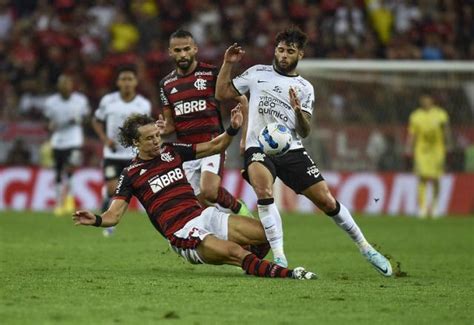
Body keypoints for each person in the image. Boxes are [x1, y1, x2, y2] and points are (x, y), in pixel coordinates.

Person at [215, 26, 392, 276]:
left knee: (327, 201)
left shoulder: (305, 88)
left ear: (300, 55)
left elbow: (305, 131)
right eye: (280, 50)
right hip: (259, 146)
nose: (283, 55)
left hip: (292, 150)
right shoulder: (256, 74)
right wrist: (227, 63)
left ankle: (365, 247)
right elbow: (221, 93)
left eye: (290, 51)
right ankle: (280, 258)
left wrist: (299, 113)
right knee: (264, 191)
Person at [73, 110, 316, 280]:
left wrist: (232, 128)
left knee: (267, 233)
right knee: (235, 252)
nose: (156, 141)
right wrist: (94, 219)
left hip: (206, 216)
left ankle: (252, 265)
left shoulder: (171, 151)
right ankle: (289, 274)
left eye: (157, 135)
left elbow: (214, 146)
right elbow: (113, 216)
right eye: (149, 139)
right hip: (184, 233)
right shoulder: (131, 174)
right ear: (136, 142)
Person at [157, 29, 252, 217]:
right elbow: (170, 125)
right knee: (198, 206)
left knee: (209, 191)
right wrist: (160, 129)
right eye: (177, 50)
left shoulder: (210, 73)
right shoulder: (166, 84)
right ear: (170, 52)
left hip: (213, 143)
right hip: (188, 151)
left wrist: (244, 138)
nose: (182, 54)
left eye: (186, 49)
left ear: (195, 49)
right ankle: (226, 234)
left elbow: (243, 100)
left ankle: (239, 209)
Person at [92, 65, 152, 236]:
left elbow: (146, 127)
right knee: (112, 190)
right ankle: (109, 220)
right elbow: (96, 121)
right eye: (123, 79)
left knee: (139, 190)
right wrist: (104, 139)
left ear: (135, 82)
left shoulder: (143, 104)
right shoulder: (108, 101)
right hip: (112, 154)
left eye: (130, 79)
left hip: (134, 155)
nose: (127, 83)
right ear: (118, 82)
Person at [43, 74, 91, 216]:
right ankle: (58, 203)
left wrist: (80, 119)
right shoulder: (51, 102)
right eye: (62, 84)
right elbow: (46, 123)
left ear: (71, 85)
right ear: (58, 86)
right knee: (58, 171)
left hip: (74, 140)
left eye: (67, 83)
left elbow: (87, 118)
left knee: (70, 169)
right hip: (58, 140)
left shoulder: (80, 100)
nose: (65, 86)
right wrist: (50, 126)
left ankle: (69, 200)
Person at [406, 94, 451, 218]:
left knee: (436, 178)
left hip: (437, 150)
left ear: (432, 100)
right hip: (421, 150)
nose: (425, 102)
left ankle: (436, 207)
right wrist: (408, 147)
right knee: (422, 178)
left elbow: (446, 130)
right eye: (423, 100)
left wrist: (449, 143)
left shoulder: (440, 114)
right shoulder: (415, 116)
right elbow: (412, 134)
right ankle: (422, 208)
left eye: (427, 99)